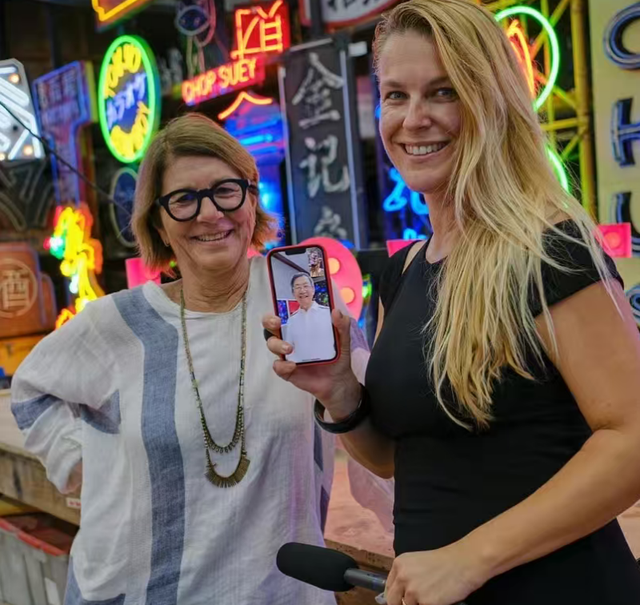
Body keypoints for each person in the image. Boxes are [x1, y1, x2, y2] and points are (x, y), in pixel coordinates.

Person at [263, 1, 640, 604]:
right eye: (395, 95)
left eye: (443, 92)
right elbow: (399, 460)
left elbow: (633, 440)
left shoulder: (548, 250)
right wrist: (338, 391)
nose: (414, 119)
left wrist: (470, 558)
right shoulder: (403, 271)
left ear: (491, 101)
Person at [10, 113, 378, 605]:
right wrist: (86, 467)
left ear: (251, 201)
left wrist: (341, 396)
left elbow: (378, 452)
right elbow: (31, 390)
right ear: (158, 223)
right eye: (184, 199)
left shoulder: (300, 307)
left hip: (278, 592)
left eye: (226, 190)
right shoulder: (116, 323)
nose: (210, 213)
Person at [283, 273, 336, 363]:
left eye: (305, 286)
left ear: (313, 289)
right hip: (302, 368)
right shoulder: (291, 320)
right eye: (298, 287)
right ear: (293, 293)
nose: (302, 290)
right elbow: (289, 349)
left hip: (328, 366)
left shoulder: (329, 313)